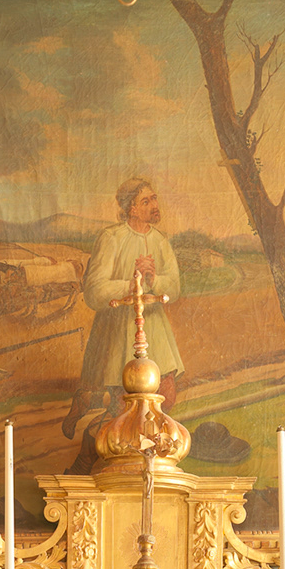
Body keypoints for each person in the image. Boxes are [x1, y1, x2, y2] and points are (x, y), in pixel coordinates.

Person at [60, 177, 184, 441]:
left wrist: (153, 279)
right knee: (122, 410)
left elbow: (174, 287)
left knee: (167, 396)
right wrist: (131, 284)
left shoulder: (161, 241)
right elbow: (94, 291)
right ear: (132, 209)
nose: (154, 205)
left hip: (155, 329)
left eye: (154, 198)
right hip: (118, 330)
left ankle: (148, 451)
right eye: (146, 201)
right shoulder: (111, 238)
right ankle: (87, 449)